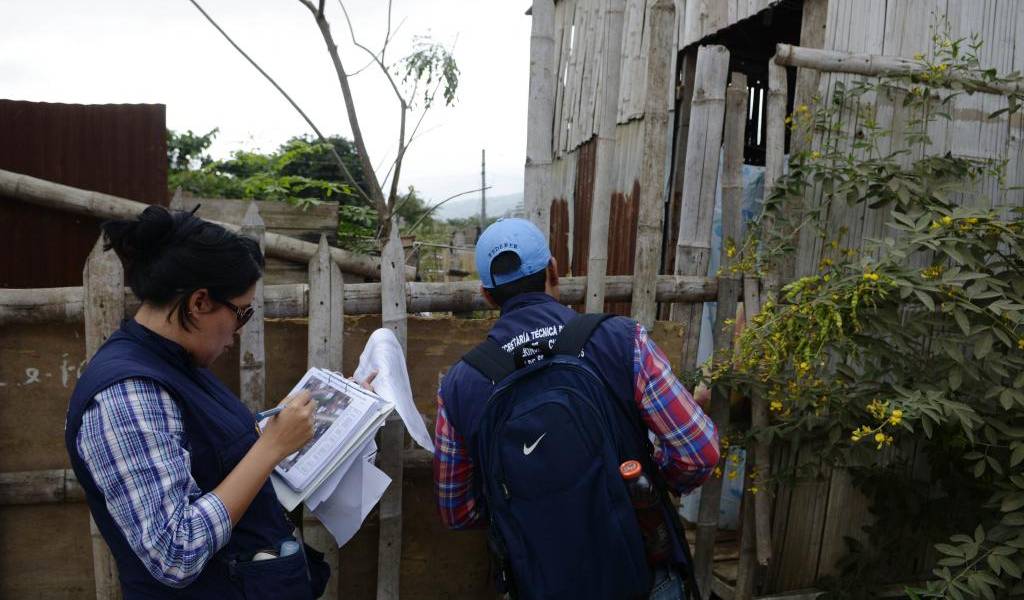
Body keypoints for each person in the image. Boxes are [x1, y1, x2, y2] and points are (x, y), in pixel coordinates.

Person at [432, 218, 721, 600]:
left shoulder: (459, 386)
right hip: (642, 572)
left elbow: (459, 511)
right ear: (554, 270)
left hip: (541, 581)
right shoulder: (620, 340)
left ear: (487, 295)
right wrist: (645, 480)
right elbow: (699, 453)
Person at [66, 206, 330, 599]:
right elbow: (175, 551)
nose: (239, 332)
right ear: (200, 303)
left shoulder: (172, 360)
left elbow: (206, 451)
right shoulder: (126, 394)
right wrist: (271, 446)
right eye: (242, 313)